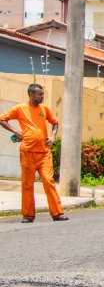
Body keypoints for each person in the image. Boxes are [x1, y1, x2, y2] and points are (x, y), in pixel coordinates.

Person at [0, 83, 68, 223]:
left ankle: (58, 213)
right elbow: (2, 119)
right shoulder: (20, 109)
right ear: (31, 95)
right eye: (40, 94)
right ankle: (28, 216)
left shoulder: (44, 109)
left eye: (43, 94)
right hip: (27, 153)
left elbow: (55, 122)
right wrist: (16, 131)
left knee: (49, 181)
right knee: (27, 184)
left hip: (44, 153)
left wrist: (53, 136)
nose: (43, 96)